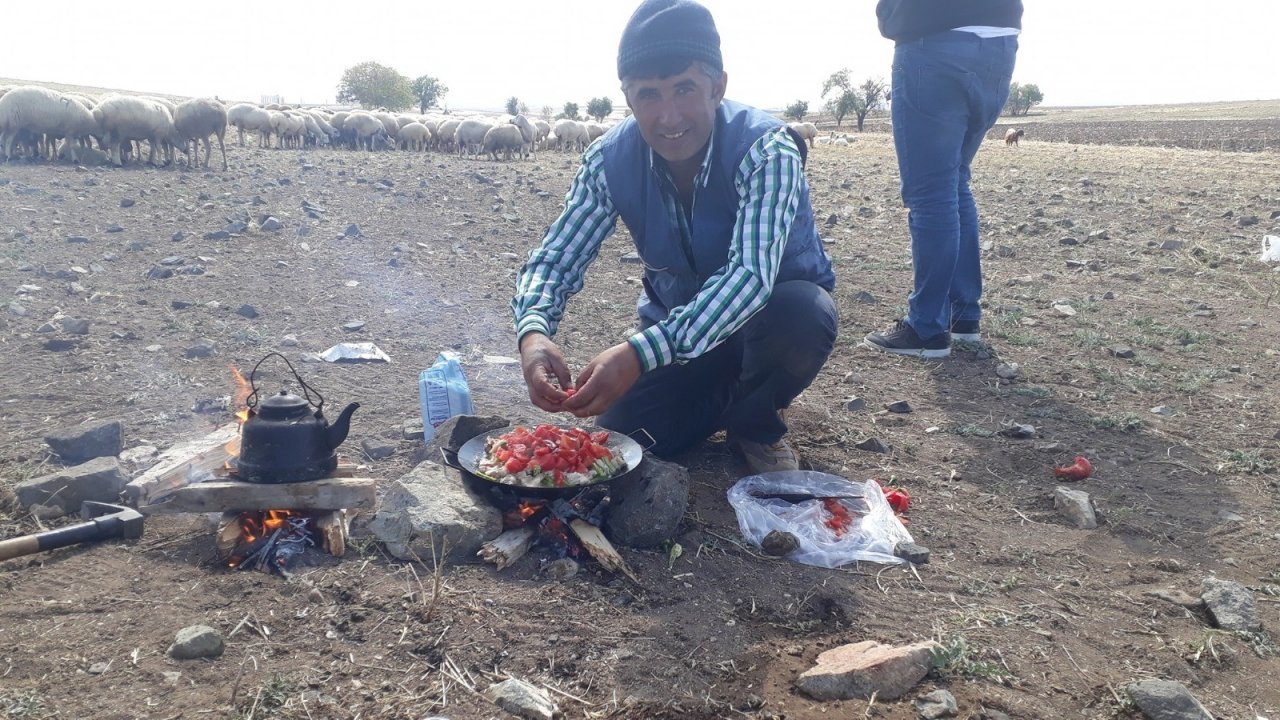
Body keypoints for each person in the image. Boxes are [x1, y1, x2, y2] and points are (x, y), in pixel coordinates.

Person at [511, 0, 837, 474]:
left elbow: (749, 277)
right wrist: (534, 334)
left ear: (718, 87)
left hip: (767, 323)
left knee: (804, 313)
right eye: (648, 95)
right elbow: (556, 257)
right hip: (680, 333)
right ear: (627, 98)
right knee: (629, 437)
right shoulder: (609, 159)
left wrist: (639, 354)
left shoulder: (767, 149)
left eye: (684, 89)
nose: (668, 116)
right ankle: (724, 396)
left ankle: (756, 423)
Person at [864, 0, 1022, 359]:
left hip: (934, 43)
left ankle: (926, 327)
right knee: (953, 183)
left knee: (931, 194)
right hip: (999, 44)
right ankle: (962, 315)